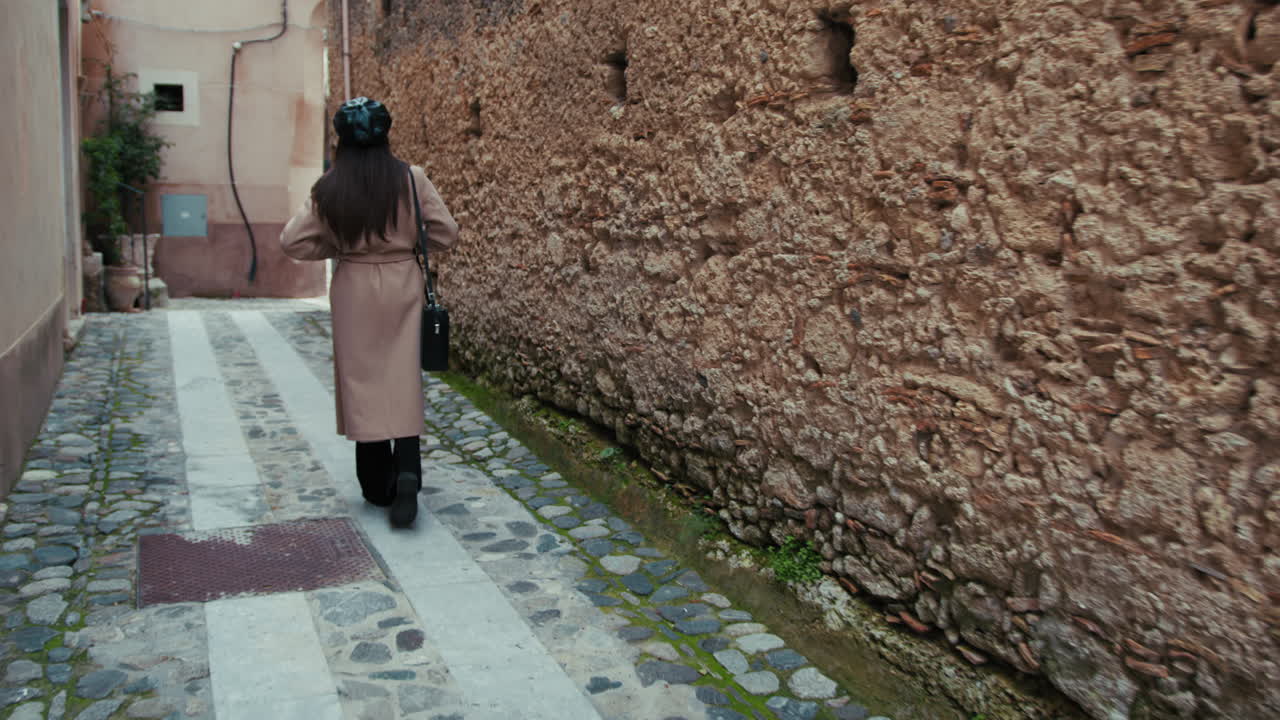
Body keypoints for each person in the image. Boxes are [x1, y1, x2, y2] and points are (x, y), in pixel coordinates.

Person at [280, 97, 459, 528]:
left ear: (341, 140)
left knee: (362, 380)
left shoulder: (330, 187)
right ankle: (409, 472)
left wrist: (340, 246)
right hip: (403, 284)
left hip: (354, 288)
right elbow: (446, 233)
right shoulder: (411, 180)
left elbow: (293, 241)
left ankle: (377, 482)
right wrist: (407, 244)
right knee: (401, 375)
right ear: (385, 135)